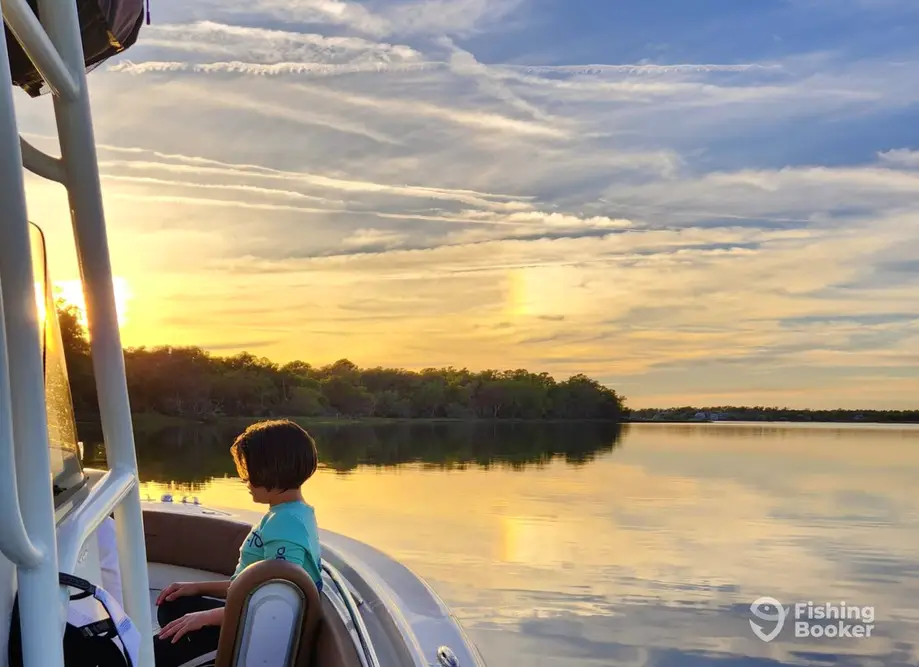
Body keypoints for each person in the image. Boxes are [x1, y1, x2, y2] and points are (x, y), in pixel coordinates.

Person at [152, 420, 322, 667]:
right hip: (244, 610)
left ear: (270, 470)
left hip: (253, 632)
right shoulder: (289, 512)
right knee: (174, 603)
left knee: (152, 654)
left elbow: (275, 604)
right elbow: (249, 585)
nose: (244, 480)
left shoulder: (286, 524)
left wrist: (205, 618)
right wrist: (198, 588)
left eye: (249, 471)